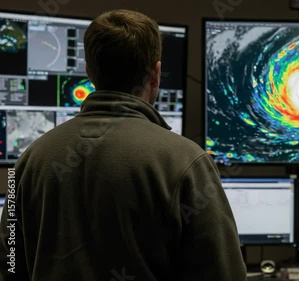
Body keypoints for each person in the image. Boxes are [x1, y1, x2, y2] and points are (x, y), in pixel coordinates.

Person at [0, 9, 246, 281]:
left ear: (90, 72)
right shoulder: (187, 161)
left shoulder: (29, 161)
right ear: (155, 74)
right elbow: (225, 274)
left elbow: (9, 264)